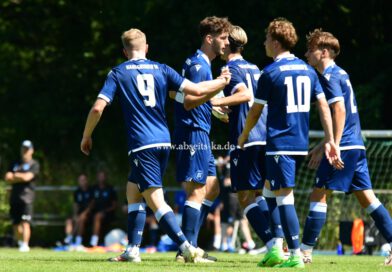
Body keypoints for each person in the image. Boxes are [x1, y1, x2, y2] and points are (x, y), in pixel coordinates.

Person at [80, 28, 231, 263]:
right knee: (133, 190)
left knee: (155, 200)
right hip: (164, 141)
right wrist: (221, 82)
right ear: (147, 47)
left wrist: (86, 135)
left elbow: (98, 108)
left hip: (142, 144)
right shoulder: (162, 69)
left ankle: (186, 247)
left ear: (124, 51)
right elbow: (196, 91)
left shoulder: (118, 73)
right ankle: (132, 249)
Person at [238, 18, 342, 268]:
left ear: (274, 42)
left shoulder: (270, 72)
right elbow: (323, 107)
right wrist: (329, 139)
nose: (264, 43)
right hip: (298, 142)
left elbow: (254, 112)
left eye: (265, 39)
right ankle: (275, 246)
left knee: (284, 198)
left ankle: (295, 253)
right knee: (268, 191)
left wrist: (243, 135)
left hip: (279, 143)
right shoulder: (308, 70)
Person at [299, 29, 392, 266]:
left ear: (325, 52)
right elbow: (346, 116)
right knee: (367, 198)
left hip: (347, 146)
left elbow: (339, 111)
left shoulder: (330, 76)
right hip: (355, 145)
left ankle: (304, 252)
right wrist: (325, 142)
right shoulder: (341, 74)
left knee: (318, 193)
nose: (307, 53)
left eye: (311, 49)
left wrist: (334, 145)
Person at [211, 25, 285, 263]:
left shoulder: (229, 68)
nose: (220, 45)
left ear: (228, 44)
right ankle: (278, 242)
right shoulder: (254, 67)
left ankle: (274, 245)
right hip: (265, 135)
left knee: (244, 196)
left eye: (223, 40)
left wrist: (213, 103)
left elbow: (244, 95)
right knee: (259, 193)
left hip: (247, 139)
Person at [170, 16, 232, 262]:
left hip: (199, 132)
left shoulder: (197, 62)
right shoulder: (200, 66)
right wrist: (220, 84)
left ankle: (191, 245)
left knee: (212, 187)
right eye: (223, 38)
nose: (227, 43)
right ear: (210, 38)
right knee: (196, 192)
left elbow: (176, 94)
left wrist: (214, 107)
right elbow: (188, 101)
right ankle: (185, 251)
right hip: (193, 132)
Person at [5, 140, 40, 252]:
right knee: (15, 224)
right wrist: (20, 176)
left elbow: (27, 177)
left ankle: (25, 244)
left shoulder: (34, 164)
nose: (25, 151)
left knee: (25, 222)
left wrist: (15, 176)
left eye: (27, 149)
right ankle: (20, 242)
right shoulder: (15, 163)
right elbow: (7, 177)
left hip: (27, 198)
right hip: (14, 197)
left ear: (32, 150)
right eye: (23, 148)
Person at [88, 170, 117, 247]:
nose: (101, 178)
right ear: (97, 177)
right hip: (94, 213)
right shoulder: (94, 188)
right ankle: (75, 242)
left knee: (97, 216)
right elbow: (92, 202)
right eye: (99, 176)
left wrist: (104, 211)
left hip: (107, 214)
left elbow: (114, 205)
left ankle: (93, 242)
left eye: (103, 176)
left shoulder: (110, 188)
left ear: (105, 177)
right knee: (84, 217)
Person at [64, 173, 93, 247]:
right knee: (69, 220)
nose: (82, 182)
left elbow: (92, 205)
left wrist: (84, 213)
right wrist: (75, 215)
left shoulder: (91, 191)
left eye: (83, 180)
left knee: (81, 218)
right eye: (80, 180)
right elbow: (75, 205)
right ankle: (68, 238)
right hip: (79, 214)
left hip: (89, 215)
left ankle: (77, 240)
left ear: (86, 181)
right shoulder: (77, 192)